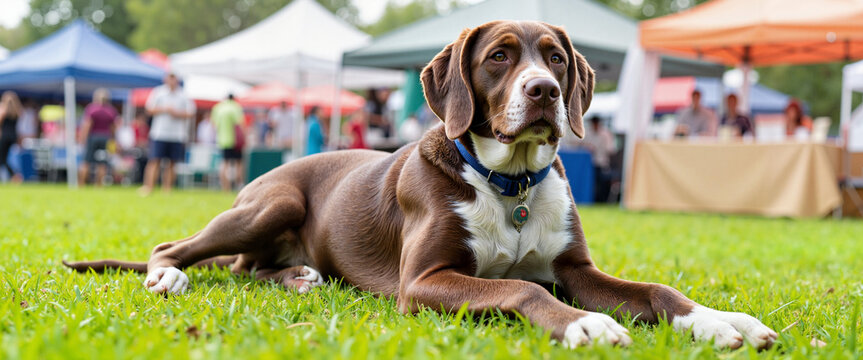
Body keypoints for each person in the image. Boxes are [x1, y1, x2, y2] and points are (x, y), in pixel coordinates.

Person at [139, 73, 196, 196]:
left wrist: (177, 113)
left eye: (174, 77)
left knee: (172, 163)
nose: (172, 80)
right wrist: (165, 109)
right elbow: (149, 109)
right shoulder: (158, 92)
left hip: (177, 134)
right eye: (170, 77)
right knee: (154, 161)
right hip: (159, 133)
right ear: (165, 79)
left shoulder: (183, 95)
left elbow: (191, 113)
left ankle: (167, 189)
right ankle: (148, 187)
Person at [78, 88, 119, 186]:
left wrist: (82, 138)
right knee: (102, 163)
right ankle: (99, 185)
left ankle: (81, 184)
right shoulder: (111, 111)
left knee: (86, 161)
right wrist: (113, 140)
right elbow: (113, 128)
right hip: (105, 137)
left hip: (93, 137)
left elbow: (87, 125)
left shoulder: (92, 109)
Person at [212, 94, 245, 192]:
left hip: (222, 140)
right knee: (238, 164)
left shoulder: (218, 108)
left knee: (224, 164)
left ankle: (225, 188)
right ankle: (238, 186)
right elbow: (240, 124)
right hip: (235, 140)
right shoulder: (235, 107)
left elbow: (214, 125)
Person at [582, 116, 617, 202]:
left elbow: (611, 149)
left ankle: (601, 200)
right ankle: (593, 199)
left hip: (602, 163)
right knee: (591, 183)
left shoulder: (606, 134)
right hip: (590, 163)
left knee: (602, 183)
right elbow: (581, 146)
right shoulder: (587, 133)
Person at [0, 91, 22, 183]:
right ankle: (13, 176)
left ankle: (14, 176)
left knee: (2, 159)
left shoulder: (3, 111)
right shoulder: (17, 112)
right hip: (13, 136)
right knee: (5, 158)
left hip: (4, 137)